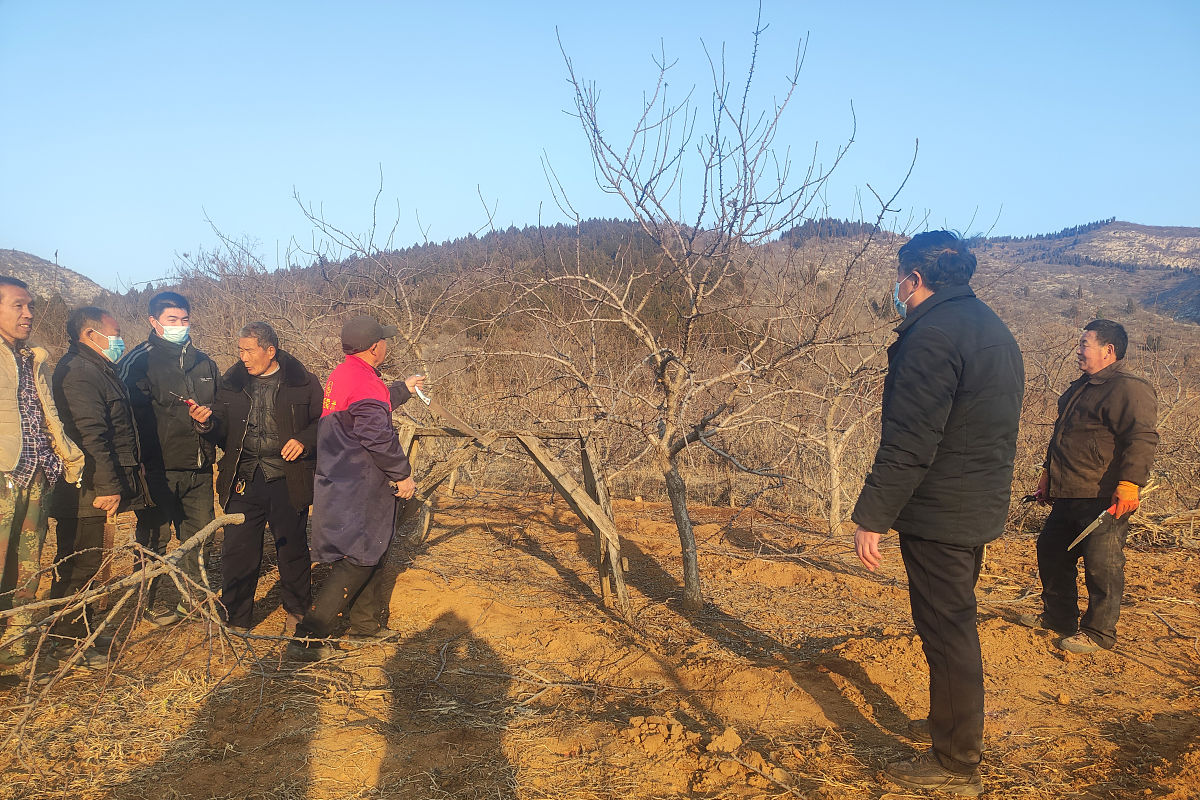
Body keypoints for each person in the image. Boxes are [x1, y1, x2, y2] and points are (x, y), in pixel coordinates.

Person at [851, 231, 1024, 796]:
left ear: (915, 279)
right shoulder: (992, 328)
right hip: (974, 501)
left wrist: (873, 513)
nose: (897, 287)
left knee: (947, 632)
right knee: (954, 625)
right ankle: (953, 726)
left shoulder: (932, 336)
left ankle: (956, 762)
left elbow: (910, 440)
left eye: (899, 276)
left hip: (940, 510)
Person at [287, 316, 422, 661]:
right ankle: (307, 638)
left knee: (368, 551)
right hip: (360, 484)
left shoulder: (344, 375)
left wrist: (404, 388)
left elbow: (369, 407)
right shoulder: (365, 383)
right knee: (358, 559)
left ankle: (365, 626)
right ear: (376, 347)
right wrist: (402, 473)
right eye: (385, 340)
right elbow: (376, 434)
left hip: (339, 478)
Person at [1022, 319, 1158, 654]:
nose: (1078, 351)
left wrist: (1129, 484)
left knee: (1102, 563)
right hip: (1068, 491)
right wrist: (1046, 476)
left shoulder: (1129, 388)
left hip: (1103, 495)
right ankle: (1059, 618)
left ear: (1108, 351)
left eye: (1085, 344)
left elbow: (1141, 438)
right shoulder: (1080, 387)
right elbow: (1063, 439)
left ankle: (1098, 633)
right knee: (1051, 552)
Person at [187, 322, 324, 632]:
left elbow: (323, 423)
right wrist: (206, 425)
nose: (243, 357)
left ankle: (298, 610)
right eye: (240, 350)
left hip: (288, 477)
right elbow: (221, 432)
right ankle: (237, 617)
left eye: (249, 351)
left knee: (291, 548)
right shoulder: (231, 384)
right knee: (238, 549)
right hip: (243, 476)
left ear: (270, 351)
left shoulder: (303, 382)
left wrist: (304, 440)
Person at [48, 307, 150, 667]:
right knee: (80, 563)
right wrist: (107, 484)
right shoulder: (79, 373)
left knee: (92, 563)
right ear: (91, 335)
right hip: (84, 489)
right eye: (115, 332)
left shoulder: (99, 369)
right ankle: (67, 641)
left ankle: (86, 628)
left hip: (96, 485)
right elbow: (90, 435)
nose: (120, 339)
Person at [119, 291, 219, 625]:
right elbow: (124, 420)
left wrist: (207, 424)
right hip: (157, 469)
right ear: (154, 322)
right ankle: (141, 605)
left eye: (184, 319)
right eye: (171, 320)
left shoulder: (205, 362)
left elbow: (219, 414)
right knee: (154, 540)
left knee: (200, 536)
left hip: (200, 468)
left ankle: (194, 602)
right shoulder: (138, 361)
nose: (179, 326)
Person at [0, 276, 84, 666]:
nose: (28, 314)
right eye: (18, 305)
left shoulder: (34, 358)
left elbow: (46, 414)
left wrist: (68, 458)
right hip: (4, 475)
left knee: (26, 570)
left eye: (30, 306)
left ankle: (13, 656)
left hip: (37, 476)